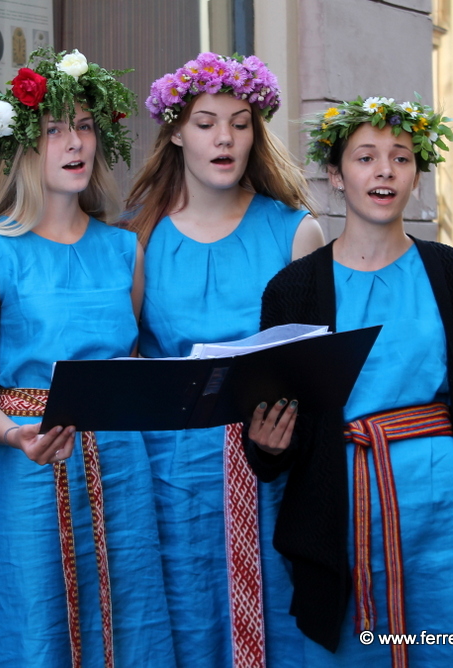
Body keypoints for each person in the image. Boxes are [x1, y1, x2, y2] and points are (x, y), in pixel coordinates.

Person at [247, 95, 453, 667]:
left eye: (401, 157)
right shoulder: (291, 290)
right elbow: (273, 436)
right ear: (336, 175)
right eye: (365, 157)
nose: (384, 170)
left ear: (416, 175)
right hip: (342, 510)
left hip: (448, 511)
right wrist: (266, 445)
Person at [0, 48, 175, 667]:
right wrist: (18, 434)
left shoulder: (124, 250)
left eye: (84, 127)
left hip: (123, 467)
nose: (75, 143)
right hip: (29, 465)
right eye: (55, 130)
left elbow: (131, 364)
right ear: (25, 148)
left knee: (130, 625)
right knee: (34, 624)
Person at [124, 52, 325, 667]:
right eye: (207, 121)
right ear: (176, 132)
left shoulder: (296, 231)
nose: (225, 138)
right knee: (181, 616)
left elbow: (317, 368)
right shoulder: (137, 236)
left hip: (269, 466)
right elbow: (124, 358)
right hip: (168, 472)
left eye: (240, 123)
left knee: (277, 622)